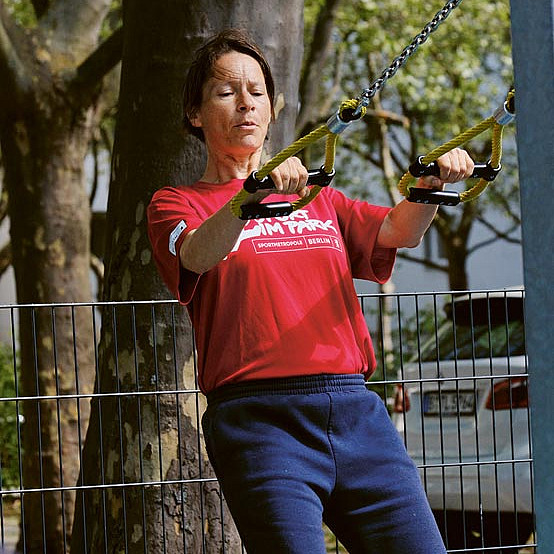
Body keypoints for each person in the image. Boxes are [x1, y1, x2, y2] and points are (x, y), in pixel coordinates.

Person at [147, 29, 475, 554]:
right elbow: (195, 255)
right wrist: (250, 198)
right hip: (259, 422)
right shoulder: (177, 202)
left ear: (273, 111)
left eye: (256, 92)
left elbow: (398, 231)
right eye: (226, 92)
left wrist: (429, 188)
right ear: (194, 112)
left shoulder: (321, 201)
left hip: (355, 411)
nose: (245, 104)